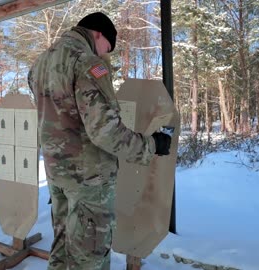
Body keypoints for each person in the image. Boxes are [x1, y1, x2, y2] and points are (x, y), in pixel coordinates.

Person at [28, 12, 172, 270]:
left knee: (62, 249)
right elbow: (105, 131)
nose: (106, 54)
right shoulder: (88, 63)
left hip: (56, 173)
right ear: (97, 33)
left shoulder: (40, 62)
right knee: (89, 258)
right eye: (108, 47)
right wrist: (151, 146)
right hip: (89, 178)